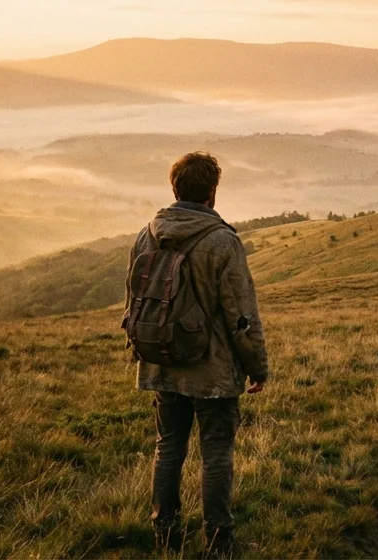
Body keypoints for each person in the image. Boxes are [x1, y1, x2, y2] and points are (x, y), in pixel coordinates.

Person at [127, 151, 269, 556]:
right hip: (212, 371)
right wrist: (257, 367)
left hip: (162, 362)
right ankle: (219, 542)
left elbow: (134, 301)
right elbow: (242, 315)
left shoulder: (147, 234)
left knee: (168, 446)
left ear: (174, 188)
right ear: (212, 192)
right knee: (217, 453)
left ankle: (166, 533)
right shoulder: (223, 241)